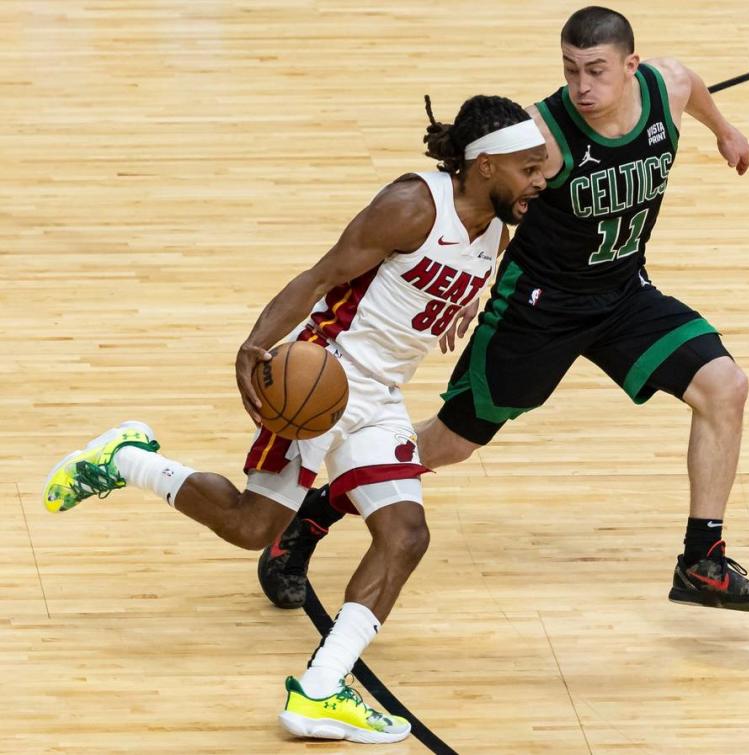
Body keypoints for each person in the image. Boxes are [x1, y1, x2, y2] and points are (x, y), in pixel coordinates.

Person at [41, 94, 548, 744]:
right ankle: (125, 459)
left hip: (380, 396)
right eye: (528, 167)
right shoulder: (413, 204)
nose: (540, 179)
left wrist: (445, 312)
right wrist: (256, 344)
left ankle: (319, 690)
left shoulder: (496, 230)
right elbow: (318, 277)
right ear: (484, 166)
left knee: (406, 534)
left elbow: (426, 287)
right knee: (253, 527)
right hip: (325, 379)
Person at [261, 5, 749, 614]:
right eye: (570, 71)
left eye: (596, 71)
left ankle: (702, 562)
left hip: (622, 293)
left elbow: (691, 86)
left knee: (725, 386)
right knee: (450, 446)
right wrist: (465, 282)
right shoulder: (542, 136)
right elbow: (487, 203)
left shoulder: (666, 86)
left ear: (631, 66)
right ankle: (310, 519)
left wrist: (725, 131)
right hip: (538, 307)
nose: (582, 87)